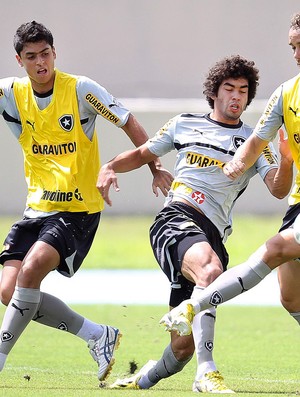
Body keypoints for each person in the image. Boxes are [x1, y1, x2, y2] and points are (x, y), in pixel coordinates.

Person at [97, 55, 293, 393]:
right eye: (229, 88)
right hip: (176, 219)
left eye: (243, 91)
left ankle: (140, 381)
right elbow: (143, 153)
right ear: (214, 93)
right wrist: (110, 166)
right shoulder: (184, 123)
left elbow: (278, 189)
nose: (236, 97)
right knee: (210, 271)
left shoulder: (255, 142)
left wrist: (288, 159)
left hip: (212, 234)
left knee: (182, 347)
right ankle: (207, 374)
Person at [0, 21, 173, 381]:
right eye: (31, 57)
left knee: (31, 272)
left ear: (54, 53)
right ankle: (97, 335)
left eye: (45, 53)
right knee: (9, 292)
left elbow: (128, 121)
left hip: (78, 208)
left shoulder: (80, 89)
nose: (40, 62)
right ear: (19, 60)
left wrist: (155, 166)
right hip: (36, 208)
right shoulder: (11, 93)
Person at [159, 12, 300, 347]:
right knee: (291, 297)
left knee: (275, 248)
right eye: (293, 47)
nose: (296, 55)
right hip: (298, 205)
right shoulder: (285, 94)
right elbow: (256, 143)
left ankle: (194, 306)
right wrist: (240, 162)